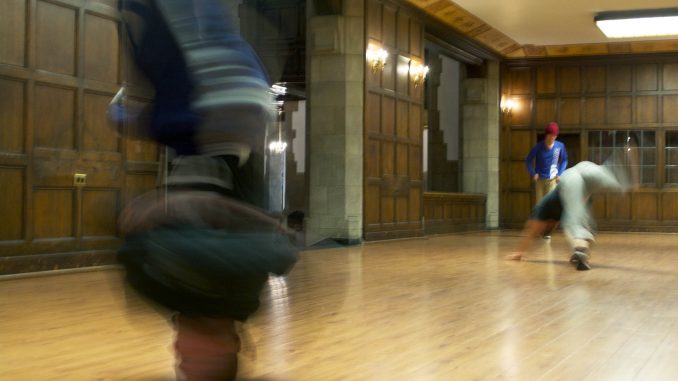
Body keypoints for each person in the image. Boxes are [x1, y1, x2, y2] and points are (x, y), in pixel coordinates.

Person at [115, 1, 297, 380]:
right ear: (232, 344)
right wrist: (181, 206)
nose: (177, 350)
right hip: (224, 109)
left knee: (137, 19)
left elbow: (124, 240)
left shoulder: (163, 291)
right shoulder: (237, 290)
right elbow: (278, 241)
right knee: (190, 16)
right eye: (194, 360)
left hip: (184, 124)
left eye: (181, 363)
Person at [507, 141, 638, 271]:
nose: (554, 227)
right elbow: (588, 223)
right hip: (587, 170)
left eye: (550, 227)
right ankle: (624, 169)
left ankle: (580, 247)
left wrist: (520, 253)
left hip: (570, 179)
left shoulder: (544, 209)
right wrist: (579, 253)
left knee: (571, 223)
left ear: (547, 223)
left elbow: (531, 230)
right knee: (609, 177)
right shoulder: (564, 210)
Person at [525, 122, 568, 203]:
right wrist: (533, 173)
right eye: (550, 136)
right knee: (540, 206)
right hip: (540, 181)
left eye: (554, 136)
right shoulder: (538, 147)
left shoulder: (559, 146)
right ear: (546, 135)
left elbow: (564, 160)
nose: (552, 138)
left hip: (552, 180)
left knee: (550, 205)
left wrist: (560, 173)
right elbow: (528, 160)